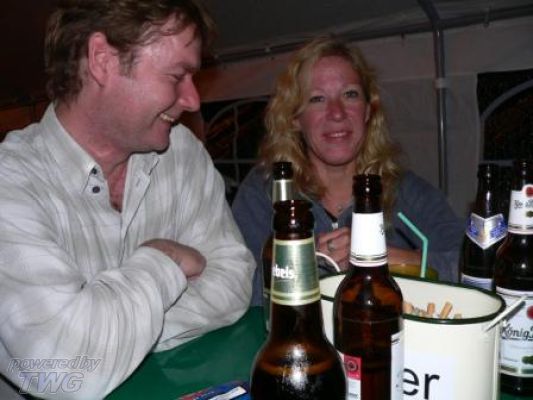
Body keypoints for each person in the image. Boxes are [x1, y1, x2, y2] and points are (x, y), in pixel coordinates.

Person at [0, 1, 255, 398]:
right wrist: (164, 259)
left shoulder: (181, 153)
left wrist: (108, 335)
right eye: (177, 76)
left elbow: (234, 279)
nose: (192, 100)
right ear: (102, 60)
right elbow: (63, 369)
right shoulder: (11, 181)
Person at [232, 36, 464, 306]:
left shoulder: (407, 191)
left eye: (350, 94)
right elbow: (237, 289)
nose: (337, 113)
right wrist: (306, 265)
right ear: (295, 119)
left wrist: (379, 256)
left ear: (367, 110)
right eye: (317, 98)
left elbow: (467, 268)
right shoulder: (265, 192)